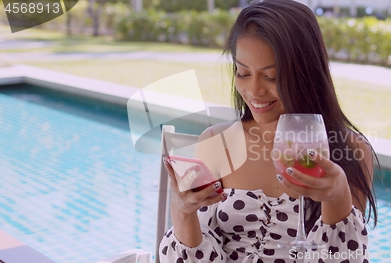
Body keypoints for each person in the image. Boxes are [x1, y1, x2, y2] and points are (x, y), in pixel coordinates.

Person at [160, 0, 377, 262]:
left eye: (271, 77)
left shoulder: (348, 150)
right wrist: (182, 212)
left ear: (307, 73)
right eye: (242, 73)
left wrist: (338, 197)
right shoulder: (217, 143)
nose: (254, 91)